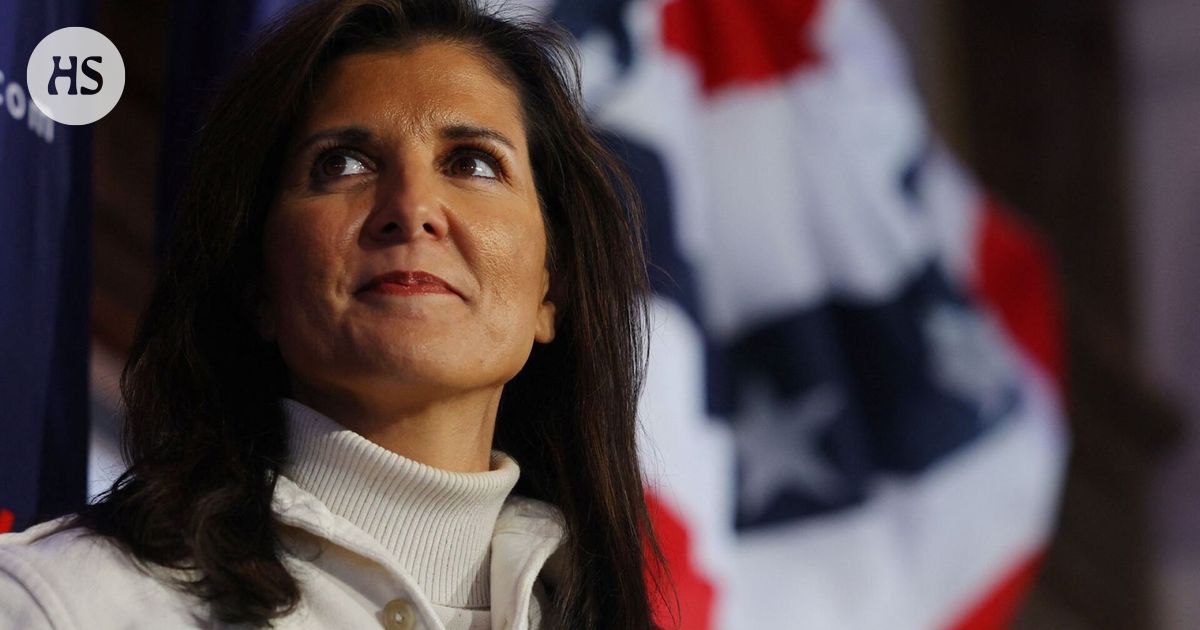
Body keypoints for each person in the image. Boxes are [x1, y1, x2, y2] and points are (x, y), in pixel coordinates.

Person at [0, 0, 672, 628]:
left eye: (472, 163)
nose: (411, 207)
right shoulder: (58, 604)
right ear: (258, 284)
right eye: (343, 163)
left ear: (551, 294)